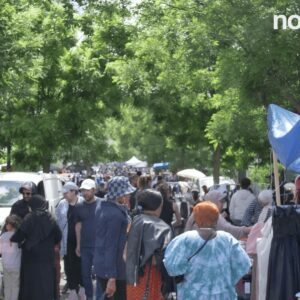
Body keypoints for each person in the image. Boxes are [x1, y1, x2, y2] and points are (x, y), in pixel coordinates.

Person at [164, 201, 251, 300]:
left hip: (191, 295)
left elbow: (172, 268)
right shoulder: (227, 239)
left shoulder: (185, 239)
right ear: (216, 219)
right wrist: (226, 281)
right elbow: (244, 265)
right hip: (224, 295)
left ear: (195, 219)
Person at [10, 195, 62, 300]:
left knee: (31, 284)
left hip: (31, 257)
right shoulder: (50, 218)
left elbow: (19, 236)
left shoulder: (29, 217)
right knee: (46, 282)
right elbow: (58, 236)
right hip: (47, 257)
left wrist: (13, 238)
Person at [94, 176, 135, 300]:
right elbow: (110, 246)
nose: (129, 196)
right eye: (126, 193)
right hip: (114, 269)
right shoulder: (115, 215)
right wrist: (112, 277)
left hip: (103, 265)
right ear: (120, 195)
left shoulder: (102, 206)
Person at [126, 189, 172, 300]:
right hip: (150, 277)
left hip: (131, 276)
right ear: (159, 206)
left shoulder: (134, 220)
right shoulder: (162, 227)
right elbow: (163, 259)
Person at [55, 181, 85, 300]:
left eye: (66, 193)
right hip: (66, 241)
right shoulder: (62, 204)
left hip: (82, 241)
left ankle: (82, 288)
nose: (64, 195)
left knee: (82, 264)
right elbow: (57, 221)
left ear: (74, 191)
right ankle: (72, 289)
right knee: (69, 265)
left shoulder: (84, 203)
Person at [74, 178, 102, 300]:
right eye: (83, 191)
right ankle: (90, 297)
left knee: (100, 274)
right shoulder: (79, 206)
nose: (85, 193)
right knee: (85, 274)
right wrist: (78, 245)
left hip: (100, 246)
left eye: (87, 190)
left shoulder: (102, 203)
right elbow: (78, 226)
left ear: (94, 190)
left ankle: (100, 297)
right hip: (85, 247)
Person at [185, 190, 251, 239]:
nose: (223, 204)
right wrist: (245, 229)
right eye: (221, 201)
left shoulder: (200, 209)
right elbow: (228, 229)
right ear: (213, 201)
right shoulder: (211, 212)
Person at [0, 215, 22, 300]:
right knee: (15, 286)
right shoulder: (19, 236)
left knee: (7, 286)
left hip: (6, 265)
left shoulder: (2, 237)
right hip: (16, 265)